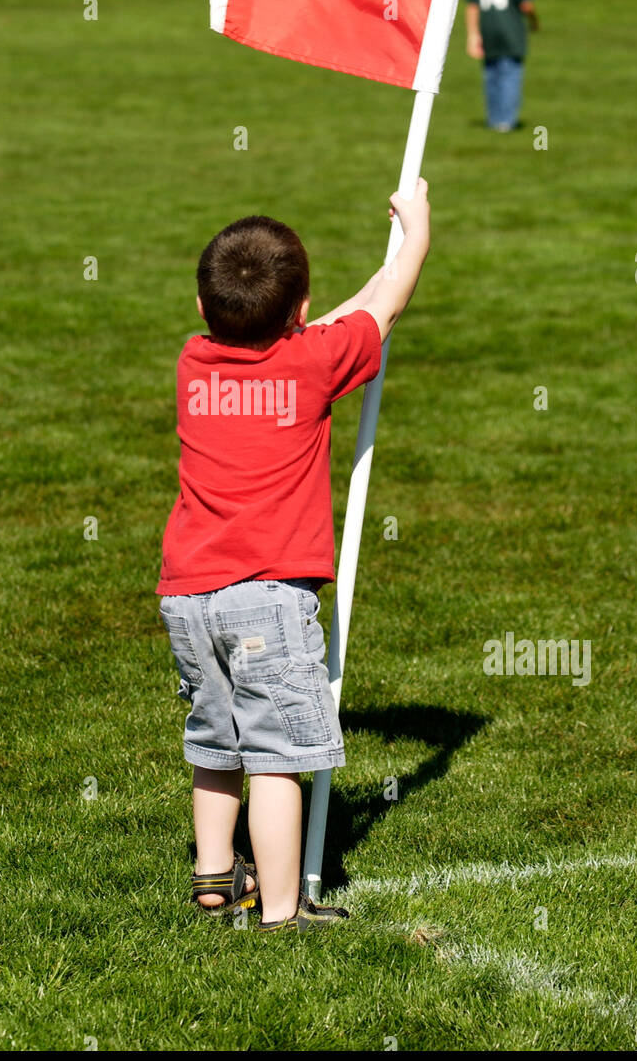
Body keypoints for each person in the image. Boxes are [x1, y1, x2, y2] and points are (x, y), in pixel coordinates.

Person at [156, 179, 431, 932]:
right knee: (275, 757)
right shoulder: (311, 365)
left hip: (187, 595)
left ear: (203, 310)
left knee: (214, 742)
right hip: (265, 598)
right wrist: (415, 237)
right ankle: (280, 912)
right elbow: (382, 311)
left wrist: (383, 270)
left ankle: (214, 878)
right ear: (301, 313)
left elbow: (342, 322)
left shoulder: (192, 362)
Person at [465, 0, 538, 132]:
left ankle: (494, 118)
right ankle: (506, 121)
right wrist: (534, 21)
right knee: (510, 75)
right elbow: (526, 5)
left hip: (487, 30)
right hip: (511, 31)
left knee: (491, 75)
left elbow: (472, 5)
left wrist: (472, 35)